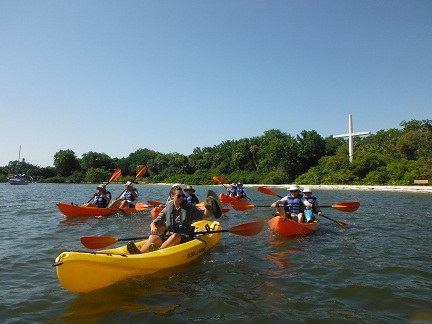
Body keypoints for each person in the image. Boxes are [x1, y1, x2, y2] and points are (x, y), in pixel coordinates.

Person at [127, 185, 220, 254]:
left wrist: (208, 207)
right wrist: (153, 226)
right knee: (153, 237)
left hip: (185, 236)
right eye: (179, 196)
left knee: (175, 236)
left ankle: (157, 253)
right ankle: (139, 253)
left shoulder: (189, 207)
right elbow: (155, 222)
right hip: (169, 236)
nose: (182, 198)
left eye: (183, 195)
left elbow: (204, 214)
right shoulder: (168, 208)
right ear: (172, 196)